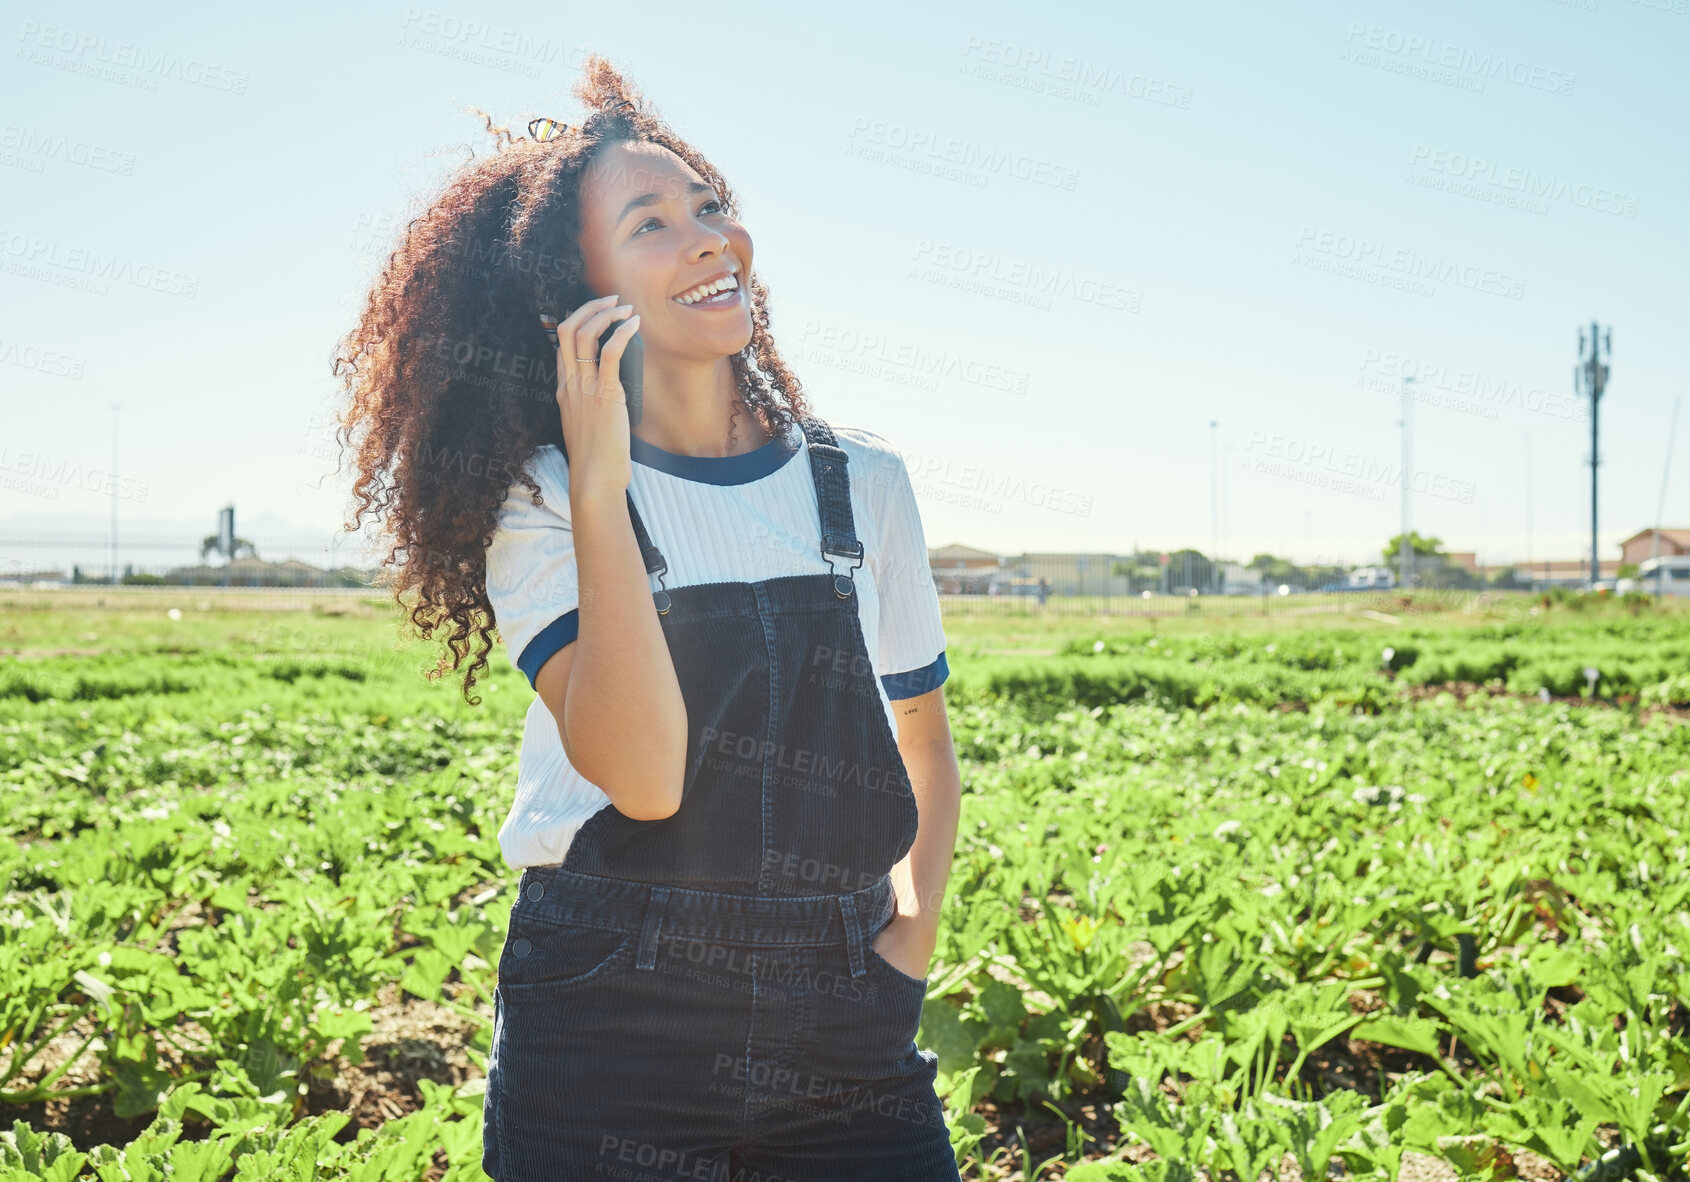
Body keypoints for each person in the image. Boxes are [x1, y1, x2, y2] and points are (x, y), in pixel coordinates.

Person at [333, 57, 963, 1181]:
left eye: (710, 205)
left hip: (848, 1017)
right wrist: (597, 487)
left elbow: (921, 738)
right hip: (611, 1016)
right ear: (572, 294)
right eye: (652, 223)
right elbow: (646, 778)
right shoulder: (535, 502)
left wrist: (908, 943)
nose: (710, 237)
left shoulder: (861, 482)